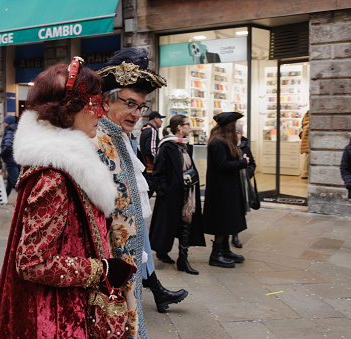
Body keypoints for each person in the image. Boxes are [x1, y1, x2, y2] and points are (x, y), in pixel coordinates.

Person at [0, 59, 136, 338]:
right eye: (93, 105)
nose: (100, 115)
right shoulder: (55, 177)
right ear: (67, 113)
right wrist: (100, 268)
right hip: (57, 316)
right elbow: (32, 262)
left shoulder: (64, 167)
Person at [94, 48, 188, 337]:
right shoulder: (95, 140)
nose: (136, 114)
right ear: (106, 102)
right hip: (108, 267)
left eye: (141, 107)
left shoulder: (119, 137)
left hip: (127, 263)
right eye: (130, 104)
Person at [150, 114, 205, 275]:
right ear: (179, 127)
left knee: (186, 222)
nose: (190, 127)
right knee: (169, 225)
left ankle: (183, 259)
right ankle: (163, 251)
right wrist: (164, 191)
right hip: (172, 195)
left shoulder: (185, 145)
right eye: (187, 124)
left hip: (188, 193)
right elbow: (159, 172)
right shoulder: (168, 146)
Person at [203, 112, 249, 268]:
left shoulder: (224, 141)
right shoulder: (218, 143)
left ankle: (225, 250)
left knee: (228, 222)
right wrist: (243, 162)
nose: (236, 126)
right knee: (222, 223)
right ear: (229, 126)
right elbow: (222, 165)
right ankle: (216, 255)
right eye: (234, 124)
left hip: (228, 189)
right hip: (221, 191)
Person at [231, 123, 256, 248]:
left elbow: (253, 164)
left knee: (239, 209)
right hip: (231, 183)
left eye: (238, 133)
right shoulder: (228, 146)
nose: (236, 135)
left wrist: (248, 172)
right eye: (234, 133)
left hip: (242, 183)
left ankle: (235, 235)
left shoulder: (245, 146)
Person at [140, 111, 165, 197]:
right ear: (156, 119)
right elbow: (151, 151)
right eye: (160, 119)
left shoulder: (145, 130)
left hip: (147, 169)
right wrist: (159, 164)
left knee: (147, 195)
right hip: (151, 169)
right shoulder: (152, 131)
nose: (161, 121)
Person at [0, 115, 19, 196]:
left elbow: (8, 146)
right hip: (15, 158)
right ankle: (5, 195)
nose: (3, 124)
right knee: (10, 179)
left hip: (11, 159)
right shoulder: (15, 129)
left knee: (16, 182)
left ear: (7, 123)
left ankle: (24, 201)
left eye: (4, 122)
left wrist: (2, 154)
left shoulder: (10, 131)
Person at [300, 111, 309, 179]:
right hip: (308, 143)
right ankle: (305, 174)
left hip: (306, 143)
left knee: (307, 158)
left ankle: (305, 173)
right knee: (307, 158)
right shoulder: (309, 124)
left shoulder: (305, 123)